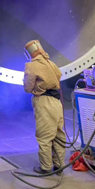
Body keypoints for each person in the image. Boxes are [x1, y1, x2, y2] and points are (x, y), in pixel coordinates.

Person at [23, 40, 67, 174]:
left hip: (44, 101)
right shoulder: (51, 63)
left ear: (29, 53)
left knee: (45, 136)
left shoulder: (31, 66)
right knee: (58, 135)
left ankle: (46, 167)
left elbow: (27, 88)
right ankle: (59, 165)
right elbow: (59, 75)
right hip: (57, 102)